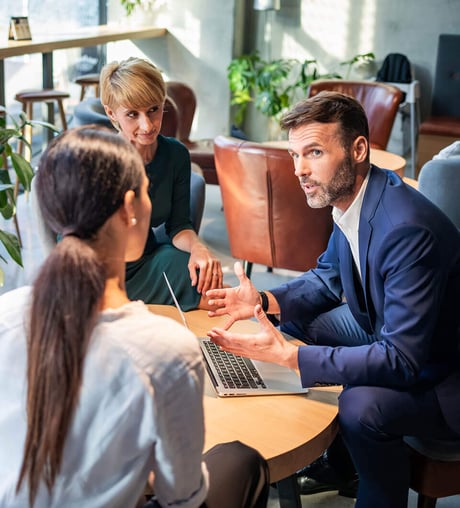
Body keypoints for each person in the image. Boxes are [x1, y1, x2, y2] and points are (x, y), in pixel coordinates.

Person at [205, 91, 460, 508]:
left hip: (445, 374)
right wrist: (263, 300)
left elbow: (402, 358)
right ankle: (332, 459)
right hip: (393, 330)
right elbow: (326, 280)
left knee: (359, 405)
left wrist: (293, 359)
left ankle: (378, 494)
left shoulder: (406, 229)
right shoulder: (353, 199)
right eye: (294, 155)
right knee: (296, 324)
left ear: (358, 149)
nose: (300, 170)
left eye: (314, 152)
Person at [0, 126, 269, 508]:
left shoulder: (6, 314)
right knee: (240, 461)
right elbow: (183, 496)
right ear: (129, 207)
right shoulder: (164, 349)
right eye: (145, 191)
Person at [100, 56, 223, 311]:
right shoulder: (100, 159)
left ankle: (206, 350)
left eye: (153, 109)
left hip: (149, 260)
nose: (147, 125)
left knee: (211, 285)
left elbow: (178, 226)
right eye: (132, 114)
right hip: (104, 274)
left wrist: (199, 248)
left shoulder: (175, 154)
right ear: (111, 113)